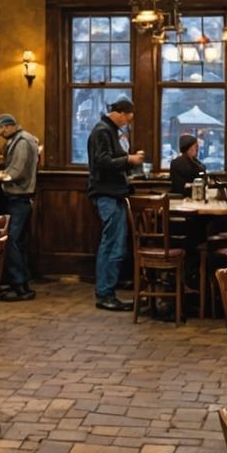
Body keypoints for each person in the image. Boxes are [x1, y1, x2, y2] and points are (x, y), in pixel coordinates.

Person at [86, 98, 142, 312]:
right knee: (112, 244)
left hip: (113, 193)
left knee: (114, 243)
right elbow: (102, 161)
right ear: (120, 113)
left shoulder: (107, 130)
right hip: (106, 193)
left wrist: (128, 159)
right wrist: (130, 160)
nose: (127, 123)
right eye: (127, 118)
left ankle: (107, 290)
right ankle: (105, 293)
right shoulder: (103, 131)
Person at [0, 114, 40, 302]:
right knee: (18, 241)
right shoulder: (22, 139)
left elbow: (17, 171)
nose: (0, 133)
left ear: (10, 126)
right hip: (21, 197)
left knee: (11, 240)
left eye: (1, 129)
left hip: (19, 196)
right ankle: (20, 283)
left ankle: (20, 286)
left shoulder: (22, 141)